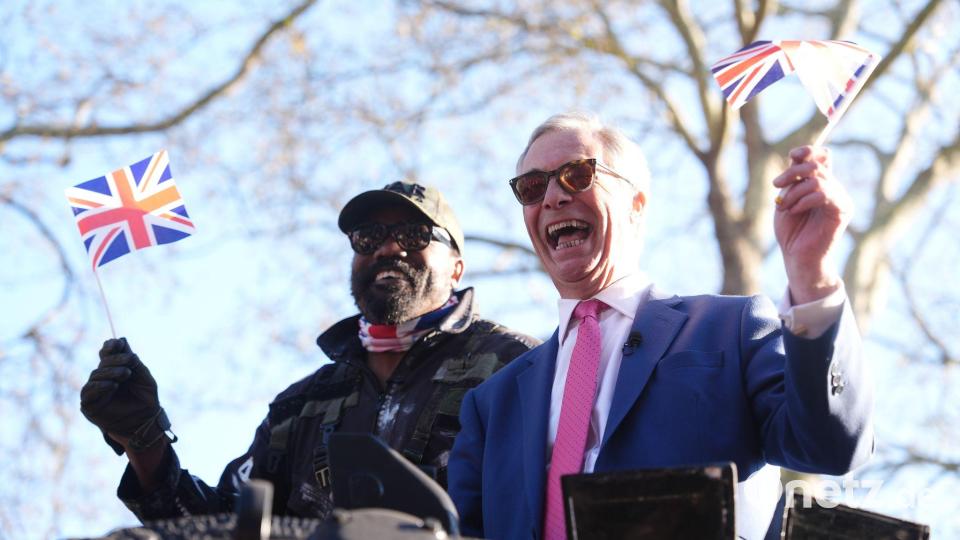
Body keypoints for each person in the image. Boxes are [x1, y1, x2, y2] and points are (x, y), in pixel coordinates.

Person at [447, 112, 874, 540]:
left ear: (636, 204)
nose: (553, 197)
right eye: (532, 187)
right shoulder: (491, 405)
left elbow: (832, 445)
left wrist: (811, 272)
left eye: (577, 175)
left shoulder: (730, 329)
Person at [80, 180, 539, 521]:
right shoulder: (302, 406)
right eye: (367, 238)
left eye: (416, 234)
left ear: (456, 266)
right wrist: (144, 441)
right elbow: (217, 527)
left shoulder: (517, 366)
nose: (389, 248)